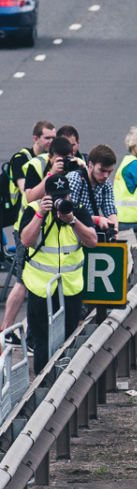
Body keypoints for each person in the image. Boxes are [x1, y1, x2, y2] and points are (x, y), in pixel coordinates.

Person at [20, 148, 99, 374]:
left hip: (70, 286)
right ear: (46, 197)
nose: (58, 203)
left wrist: (72, 220)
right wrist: (40, 216)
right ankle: (44, 382)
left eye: (62, 198)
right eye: (54, 198)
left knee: (68, 336)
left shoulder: (76, 211)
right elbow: (25, 241)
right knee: (42, 339)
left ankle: (64, 377)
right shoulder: (34, 209)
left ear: (68, 196)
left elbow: (92, 241)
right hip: (40, 286)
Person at [1, 121, 56, 346]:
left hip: (45, 224)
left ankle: (31, 331)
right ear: (36, 139)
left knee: (33, 280)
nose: (51, 142)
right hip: (24, 225)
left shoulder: (48, 160)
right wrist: (51, 176)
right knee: (24, 280)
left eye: (54, 138)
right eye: (47, 138)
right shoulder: (21, 160)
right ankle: (5, 330)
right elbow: (28, 193)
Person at [67, 145, 120, 237]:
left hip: (89, 235)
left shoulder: (106, 184)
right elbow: (68, 214)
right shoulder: (75, 179)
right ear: (90, 165)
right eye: (102, 170)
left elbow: (110, 211)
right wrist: (97, 220)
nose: (106, 176)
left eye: (109, 171)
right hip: (70, 233)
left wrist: (114, 229)